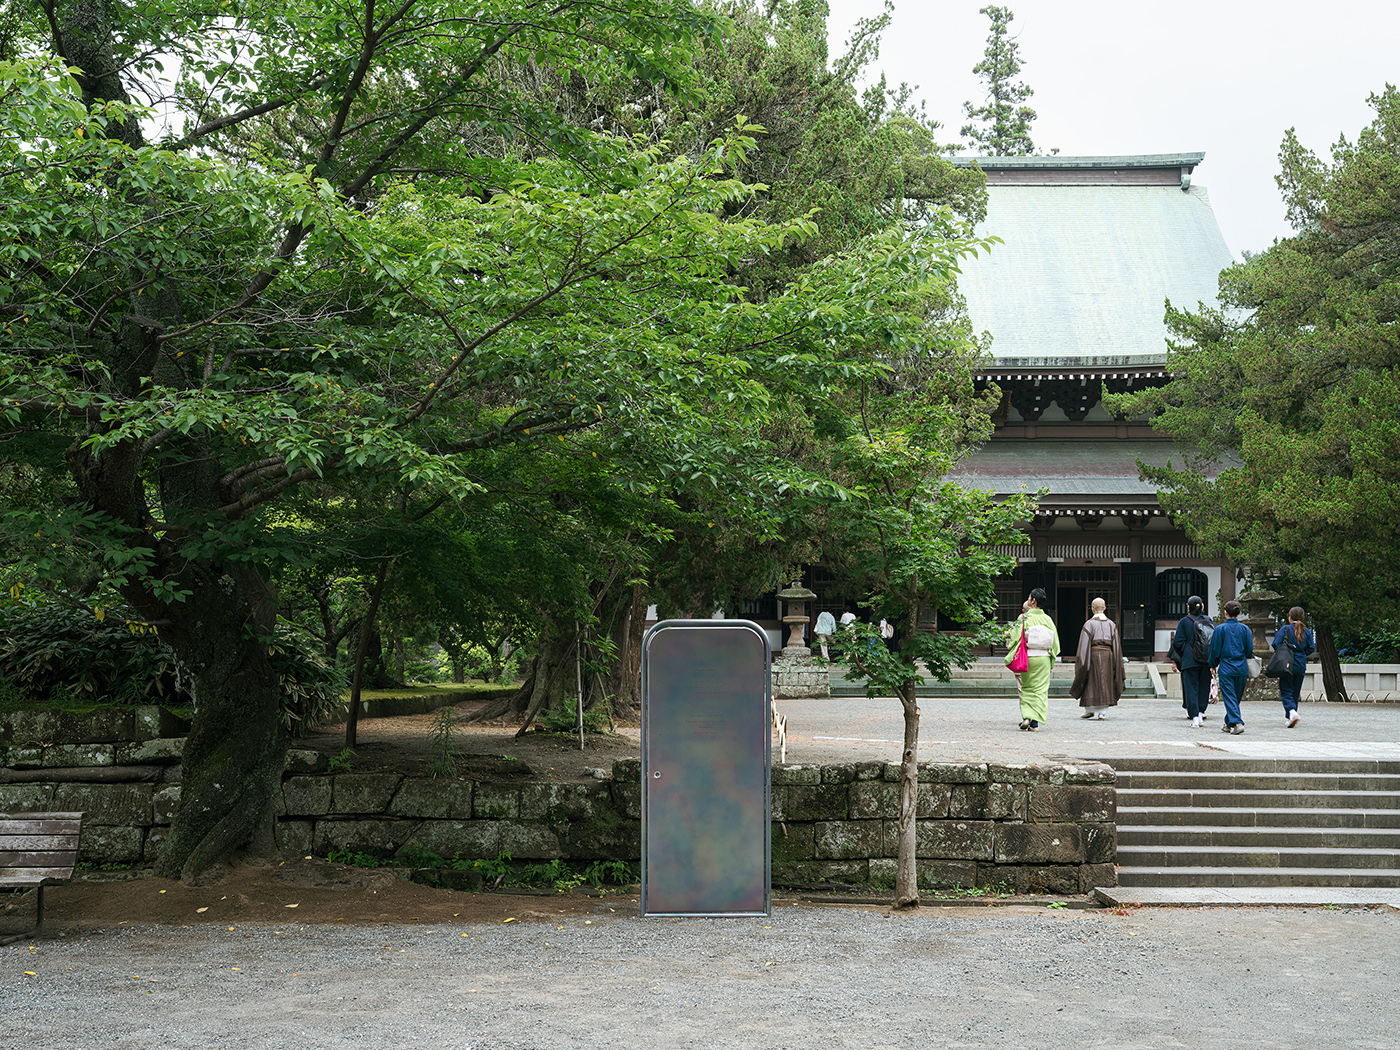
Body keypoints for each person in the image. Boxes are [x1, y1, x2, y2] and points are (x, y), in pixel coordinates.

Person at [1006, 588, 1058, 730]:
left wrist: (1007, 636)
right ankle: (1034, 723)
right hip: (1044, 658)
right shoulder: (1047, 619)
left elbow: (1015, 636)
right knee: (1040, 690)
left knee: (1027, 687)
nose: (1028, 599)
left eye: (1029, 597)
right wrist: (1052, 661)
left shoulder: (1024, 618)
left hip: (1029, 656)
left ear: (1033, 600)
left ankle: (1026, 717)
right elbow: (1055, 643)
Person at [1070, 597, 1124, 720]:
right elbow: (1116, 645)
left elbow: (1084, 645)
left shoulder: (1089, 624)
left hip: (1092, 655)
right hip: (1108, 656)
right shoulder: (1111, 624)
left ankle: (1091, 710)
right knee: (1105, 681)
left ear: (1092, 609)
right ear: (1104, 608)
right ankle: (1100, 712)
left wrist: (1083, 661)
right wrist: (1116, 661)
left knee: (1090, 680)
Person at [1208, 599, 1255, 734]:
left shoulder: (1220, 629)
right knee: (1235, 698)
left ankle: (1238, 723)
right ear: (1239, 613)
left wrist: (1213, 664)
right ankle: (1227, 723)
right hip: (1241, 667)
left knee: (1230, 697)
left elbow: (1214, 649)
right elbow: (1249, 650)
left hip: (1226, 667)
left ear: (1225, 612)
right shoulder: (1245, 629)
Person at [1171, 596, 1214, 728]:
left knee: (1191, 688)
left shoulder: (1184, 621)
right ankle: (1201, 713)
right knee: (1204, 687)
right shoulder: (1208, 620)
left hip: (1190, 660)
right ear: (1202, 606)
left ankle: (1194, 717)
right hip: (1206, 659)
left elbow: (1177, 642)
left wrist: (1186, 652)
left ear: (1188, 607)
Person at [1273, 606, 1316, 728]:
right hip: (1301, 663)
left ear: (1290, 617)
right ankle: (1291, 716)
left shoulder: (1285, 629)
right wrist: (1301, 653)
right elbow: (1311, 648)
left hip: (1287, 662)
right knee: (1295, 691)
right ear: (1302, 617)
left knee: (1286, 688)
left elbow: (1276, 644)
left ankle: (1291, 712)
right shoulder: (1306, 631)